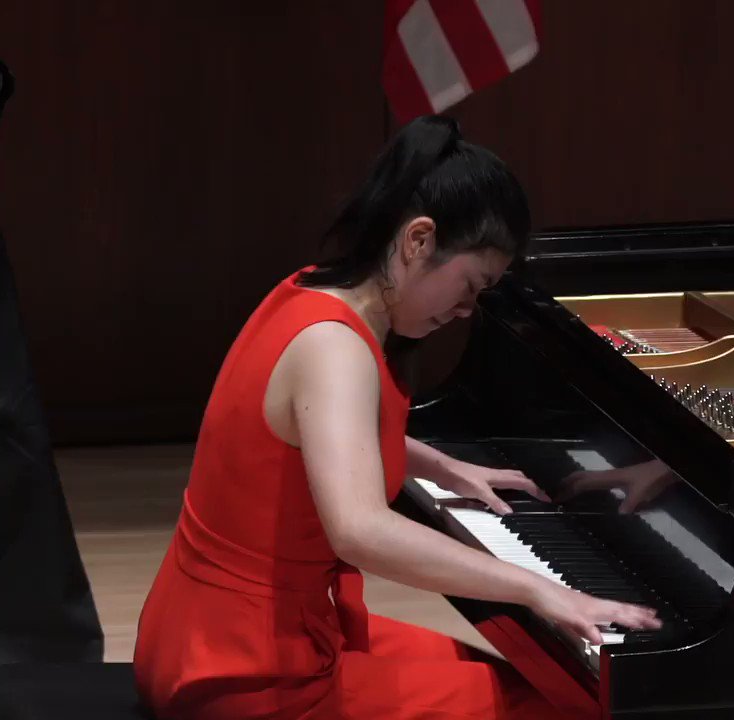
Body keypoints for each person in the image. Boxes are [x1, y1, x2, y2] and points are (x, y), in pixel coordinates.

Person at [132, 116, 661, 719]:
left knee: (527, 679)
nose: (467, 311)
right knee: (562, 709)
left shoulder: (307, 291)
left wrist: (444, 465)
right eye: (471, 285)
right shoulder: (336, 348)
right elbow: (360, 532)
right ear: (418, 240)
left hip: (200, 633)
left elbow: (307, 432)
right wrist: (541, 589)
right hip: (250, 671)